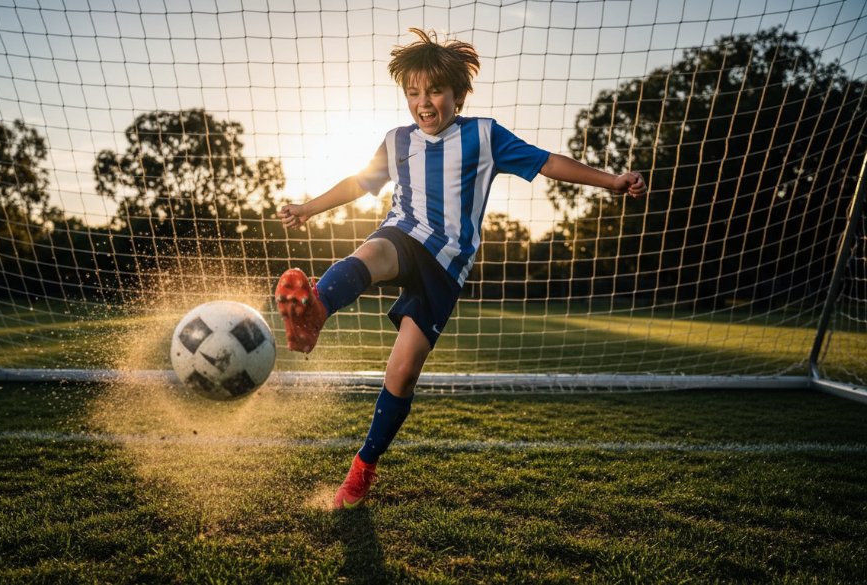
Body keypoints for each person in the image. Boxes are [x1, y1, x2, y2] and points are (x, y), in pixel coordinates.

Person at [275, 28, 646, 510]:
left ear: (457, 94)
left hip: (447, 264)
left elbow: (548, 161)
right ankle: (318, 305)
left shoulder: (484, 136)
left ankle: (362, 470)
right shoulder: (397, 140)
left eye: (433, 91)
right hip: (403, 234)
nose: (422, 102)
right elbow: (358, 183)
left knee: (403, 374)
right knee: (374, 253)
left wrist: (611, 181)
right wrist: (309, 208)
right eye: (412, 92)